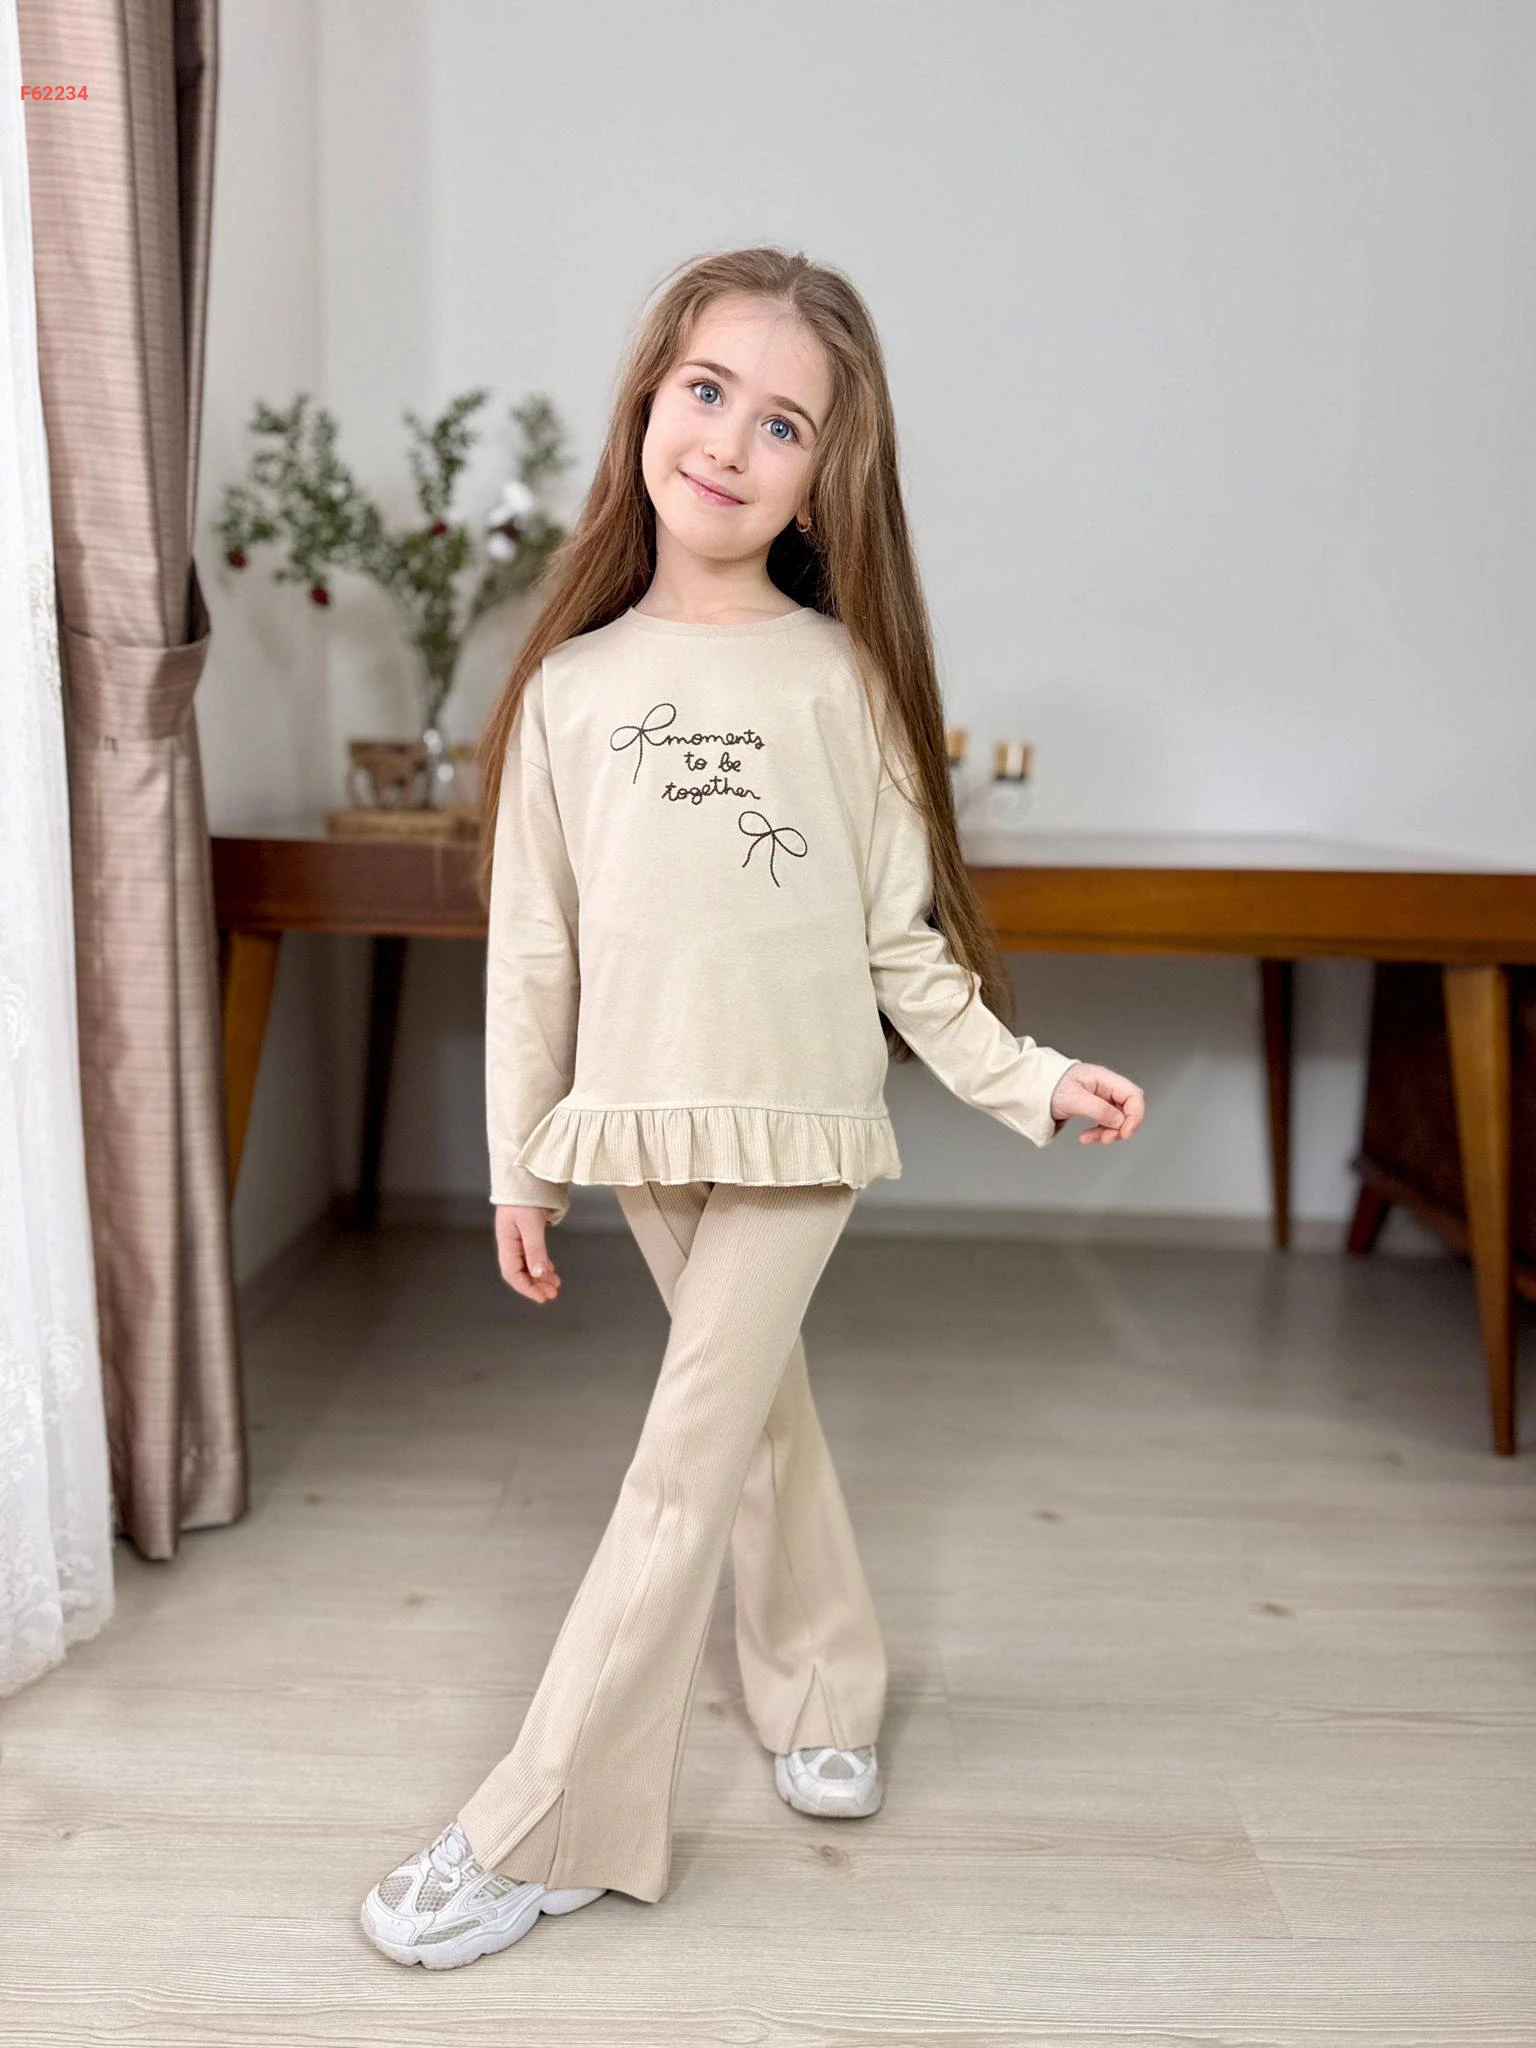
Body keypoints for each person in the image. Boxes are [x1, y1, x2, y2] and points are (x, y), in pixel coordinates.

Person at [360, 245, 1145, 1970]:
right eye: (708, 391)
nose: (728, 440)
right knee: (752, 1420)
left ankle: (548, 1820)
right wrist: (516, 1165)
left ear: (821, 477)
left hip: (798, 1128)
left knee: (678, 1462)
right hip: (639, 1124)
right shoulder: (568, 691)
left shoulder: (845, 683)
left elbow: (901, 947)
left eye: (782, 423)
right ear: (650, 400)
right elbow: (535, 957)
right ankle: (823, 1686)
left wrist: (1027, 1076)